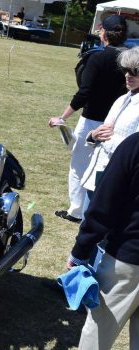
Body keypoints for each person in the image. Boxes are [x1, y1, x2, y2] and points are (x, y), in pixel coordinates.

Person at [58, 130, 139, 350]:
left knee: (100, 323)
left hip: (127, 257)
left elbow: (105, 203)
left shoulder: (135, 145)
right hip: (129, 253)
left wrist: (80, 252)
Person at [48, 14, 128, 223]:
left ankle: (76, 211)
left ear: (104, 34)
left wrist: (62, 117)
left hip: (92, 120)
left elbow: (85, 92)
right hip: (119, 123)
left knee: (79, 166)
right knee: (109, 168)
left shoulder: (98, 58)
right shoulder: (131, 58)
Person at [80, 48, 139, 202]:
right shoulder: (121, 99)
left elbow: (134, 150)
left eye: (134, 71)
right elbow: (102, 133)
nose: (127, 75)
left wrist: (108, 139)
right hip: (96, 176)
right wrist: (93, 136)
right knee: (85, 224)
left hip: (117, 184)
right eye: (126, 70)